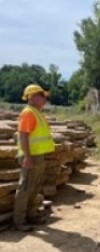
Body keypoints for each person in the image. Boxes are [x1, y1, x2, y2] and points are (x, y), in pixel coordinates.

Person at [13, 84, 55, 231]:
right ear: (32, 96)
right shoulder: (28, 113)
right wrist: (27, 156)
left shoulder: (36, 112)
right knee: (25, 188)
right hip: (30, 157)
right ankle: (19, 221)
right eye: (42, 96)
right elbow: (23, 135)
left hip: (38, 156)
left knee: (34, 187)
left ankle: (30, 215)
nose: (45, 99)